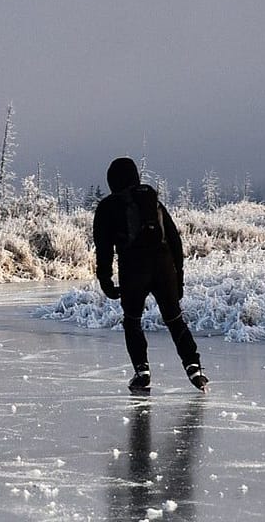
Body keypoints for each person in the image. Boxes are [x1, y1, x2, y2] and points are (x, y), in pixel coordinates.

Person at [93, 156, 207, 392]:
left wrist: (105, 280)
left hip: (133, 269)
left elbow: (103, 248)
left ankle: (142, 371)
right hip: (163, 265)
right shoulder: (152, 201)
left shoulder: (108, 207)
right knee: (175, 320)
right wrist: (179, 277)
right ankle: (194, 366)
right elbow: (174, 240)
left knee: (132, 321)